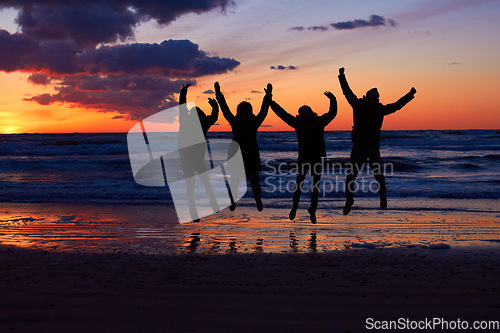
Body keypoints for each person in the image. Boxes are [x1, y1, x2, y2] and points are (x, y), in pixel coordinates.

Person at [338, 67, 416, 215]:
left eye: (377, 95)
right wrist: (342, 76)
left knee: (378, 175)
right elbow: (347, 92)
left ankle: (382, 196)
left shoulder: (380, 109)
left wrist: (410, 95)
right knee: (350, 176)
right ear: (367, 96)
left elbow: (396, 106)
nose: (376, 97)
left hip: (373, 147)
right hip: (358, 147)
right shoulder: (358, 105)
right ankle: (349, 200)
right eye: (373, 95)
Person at [270, 90, 337, 223]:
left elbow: (332, 113)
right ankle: (294, 207)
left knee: (315, 186)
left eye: (307, 110)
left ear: (311, 112)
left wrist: (333, 99)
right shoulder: (298, 123)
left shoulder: (319, 121)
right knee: (298, 185)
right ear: (299, 114)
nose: (305, 112)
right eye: (302, 111)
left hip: (316, 158)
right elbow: (282, 114)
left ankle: (312, 210)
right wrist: (271, 102)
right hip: (303, 159)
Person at [214, 81, 272, 212]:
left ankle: (258, 201)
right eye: (241, 110)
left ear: (250, 112)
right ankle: (232, 202)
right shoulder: (235, 121)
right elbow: (224, 108)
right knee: (235, 181)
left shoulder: (254, 121)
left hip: (251, 154)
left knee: (254, 181)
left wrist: (268, 96)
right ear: (238, 112)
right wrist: (218, 94)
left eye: (246, 111)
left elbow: (264, 110)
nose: (244, 113)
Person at [178, 83, 220, 222]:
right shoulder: (202, 123)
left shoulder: (186, 120)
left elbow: (182, 108)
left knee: (192, 185)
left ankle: (194, 211)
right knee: (204, 182)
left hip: (187, 158)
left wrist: (183, 92)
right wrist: (215, 106)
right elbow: (214, 117)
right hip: (195, 158)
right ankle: (212, 204)